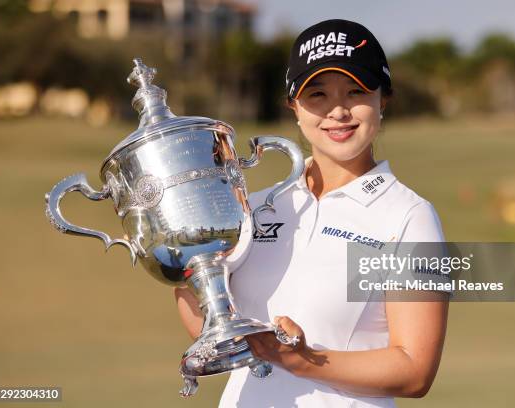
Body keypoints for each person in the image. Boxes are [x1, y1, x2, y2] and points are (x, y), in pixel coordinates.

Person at [175, 19, 450, 407]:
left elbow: (414, 369)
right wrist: (182, 264)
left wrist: (303, 362)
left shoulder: (409, 216)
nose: (337, 111)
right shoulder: (253, 208)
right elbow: (215, 333)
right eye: (317, 94)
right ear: (294, 106)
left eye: (356, 91)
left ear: (382, 99)